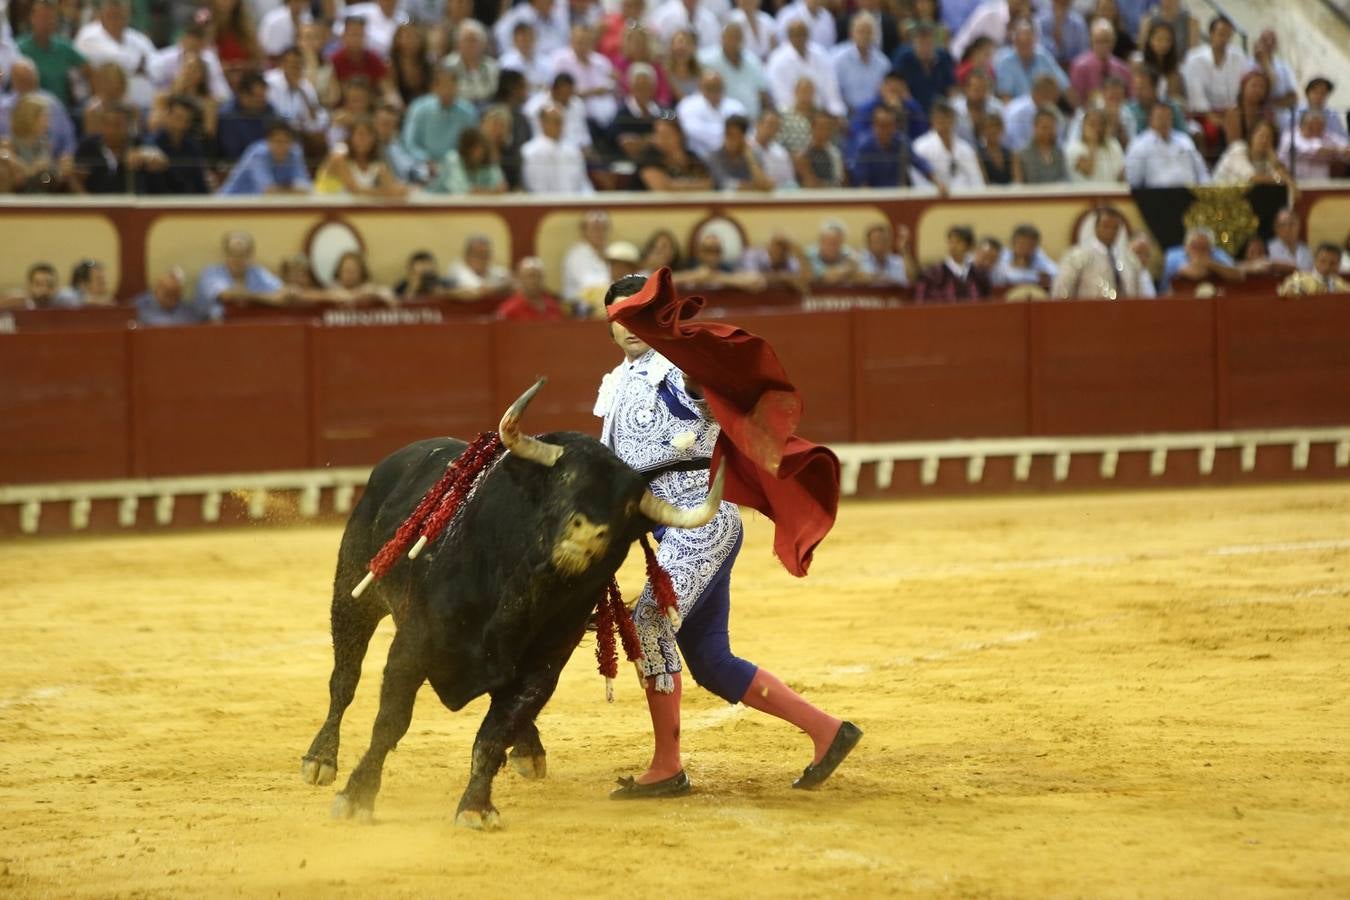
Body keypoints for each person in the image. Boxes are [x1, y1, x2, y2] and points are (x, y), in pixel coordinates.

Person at [598, 273, 860, 799]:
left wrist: (694, 352)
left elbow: (726, 374)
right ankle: (827, 730)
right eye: (617, 319)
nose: (628, 328)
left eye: (637, 317)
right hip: (662, 526)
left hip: (701, 516)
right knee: (713, 662)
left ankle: (666, 766)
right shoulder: (615, 383)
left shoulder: (683, 365)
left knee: (648, 619)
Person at [402, 62, 478, 178]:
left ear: (457, 86)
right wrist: (426, 159)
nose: (447, 90)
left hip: (457, 166)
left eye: (451, 85)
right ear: (434, 87)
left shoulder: (468, 112)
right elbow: (409, 143)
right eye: (442, 85)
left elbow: (472, 145)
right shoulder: (418, 108)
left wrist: (453, 163)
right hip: (422, 164)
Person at [1052, 207, 1146, 299]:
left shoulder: (1129, 259)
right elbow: (1062, 292)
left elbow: (1139, 293)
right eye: (1106, 226)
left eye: (1115, 227)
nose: (1110, 231)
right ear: (1096, 227)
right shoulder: (1077, 256)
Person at [195, 230, 290, 318]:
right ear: (225, 254)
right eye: (233, 254)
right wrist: (265, 298)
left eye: (242, 255)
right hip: (212, 329)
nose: (237, 259)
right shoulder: (211, 272)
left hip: (251, 326)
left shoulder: (257, 272)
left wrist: (249, 297)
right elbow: (226, 295)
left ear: (250, 256)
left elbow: (281, 293)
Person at [765, 18, 845, 119]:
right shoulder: (777, 60)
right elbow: (782, 99)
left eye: (803, 34)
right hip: (791, 117)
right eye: (795, 35)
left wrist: (837, 115)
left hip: (822, 116)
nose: (800, 38)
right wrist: (805, 115)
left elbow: (832, 93)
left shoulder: (821, 55)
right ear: (788, 37)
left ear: (808, 35)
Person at [17, 0, 89, 111]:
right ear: (32, 18)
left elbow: (89, 69)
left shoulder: (64, 48)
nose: (46, 22)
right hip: (28, 111)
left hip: (61, 111)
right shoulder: (18, 48)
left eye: (50, 17)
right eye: (42, 17)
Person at [1124, 102, 1208, 188]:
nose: (1164, 121)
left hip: (1188, 193)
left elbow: (1201, 172)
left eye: (1167, 117)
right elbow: (1133, 181)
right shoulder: (1139, 145)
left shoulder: (1184, 140)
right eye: (1160, 117)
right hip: (1156, 196)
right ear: (1151, 120)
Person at [218, 120, 311, 195]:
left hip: (258, 207)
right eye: (277, 141)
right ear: (268, 142)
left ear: (292, 142)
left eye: (286, 141)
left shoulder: (295, 152)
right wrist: (291, 188)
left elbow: (306, 188)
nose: (281, 146)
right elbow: (268, 191)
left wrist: (282, 189)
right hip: (229, 204)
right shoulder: (258, 154)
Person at [521, 102, 593, 194]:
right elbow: (536, 189)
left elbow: (583, 183)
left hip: (574, 204)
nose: (560, 126)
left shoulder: (573, 151)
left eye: (561, 121)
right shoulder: (530, 152)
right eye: (556, 122)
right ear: (542, 123)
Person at [992, 16, 1069, 102]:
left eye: (1028, 42)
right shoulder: (1005, 62)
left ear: (1035, 41)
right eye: (1021, 43)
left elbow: (1064, 86)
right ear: (1014, 42)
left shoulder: (1044, 57)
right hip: (1017, 111)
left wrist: (1078, 111)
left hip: (1044, 108)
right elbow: (1005, 97)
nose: (1024, 47)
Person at [676, 69, 747, 160]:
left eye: (717, 87)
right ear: (700, 87)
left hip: (732, 157)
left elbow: (743, 133)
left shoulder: (736, 106)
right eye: (709, 87)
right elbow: (694, 131)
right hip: (699, 158)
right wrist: (728, 135)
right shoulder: (688, 105)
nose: (714, 91)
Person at [913, 101, 984, 189]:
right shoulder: (920, 146)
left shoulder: (965, 148)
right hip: (934, 197)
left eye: (948, 118)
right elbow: (918, 179)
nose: (944, 123)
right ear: (932, 120)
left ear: (954, 120)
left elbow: (976, 179)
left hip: (964, 198)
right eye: (940, 118)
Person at [889, 21, 954, 115]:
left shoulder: (943, 57)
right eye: (921, 42)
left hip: (940, 111)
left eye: (928, 42)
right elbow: (895, 86)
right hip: (912, 111)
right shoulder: (903, 58)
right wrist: (914, 108)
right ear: (913, 42)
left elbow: (951, 88)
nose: (925, 47)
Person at [831, 13, 890, 114]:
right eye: (861, 31)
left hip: (874, 116)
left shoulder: (883, 63)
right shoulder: (837, 59)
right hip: (846, 114)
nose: (864, 36)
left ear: (874, 35)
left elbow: (886, 93)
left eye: (868, 32)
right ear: (852, 33)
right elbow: (833, 93)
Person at [915, 225, 992, 302]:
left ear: (968, 245)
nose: (953, 246)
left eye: (958, 242)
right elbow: (921, 299)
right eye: (951, 242)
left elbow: (986, 299)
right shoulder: (934, 272)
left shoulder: (978, 272)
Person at [1159, 226, 1243, 294]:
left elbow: (1238, 275)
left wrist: (1209, 264)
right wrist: (1213, 269)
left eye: (1204, 248)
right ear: (1186, 246)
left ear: (1211, 248)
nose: (1199, 252)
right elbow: (1194, 273)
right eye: (1195, 246)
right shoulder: (1173, 255)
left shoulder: (1217, 253)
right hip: (1171, 302)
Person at [1068, 18, 1131, 105]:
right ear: (1091, 41)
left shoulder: (1123, 69)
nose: (1103, 46)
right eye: (1099, 41)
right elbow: (1076, 99)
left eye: (1106, 41)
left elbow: (1129, 99)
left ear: (1113, 41)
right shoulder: (1079, 67)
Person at [706, 114, 774, 192]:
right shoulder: (715, 156)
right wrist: (754, 186)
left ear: (743, 137)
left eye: (734, 136)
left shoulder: (754, 153)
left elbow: (765, 184)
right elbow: (723, 183)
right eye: (727, 135)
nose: (729, 140)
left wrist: (750, 157)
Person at [1278, 110, 1350, 181]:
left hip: (1322, 184)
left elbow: (1346, 147)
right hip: (1293, 183)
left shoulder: (1326, 135)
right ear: (1302, 125)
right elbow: (1312, 151)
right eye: (1311, 126)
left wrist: (1342, 152)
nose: (1315, 130)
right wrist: (1338, 151)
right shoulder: (1290, 136)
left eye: (1319, 126)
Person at [562, 211, 613, 304]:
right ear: (584, 231)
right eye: (595, 228)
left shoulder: (611, 251)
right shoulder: (576, 255)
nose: (599, 233)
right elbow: (590, 285)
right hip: (581, 308)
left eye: (603, 228)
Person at [1065, 106, 1124, 183]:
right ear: (1083, 126)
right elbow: (1088, 171)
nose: (1097, 128)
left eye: (1100, 124)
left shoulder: (1113, 144)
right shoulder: (1073, 148)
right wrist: (1092, 142)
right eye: (1092, 124)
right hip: (1085, 193)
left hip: (1111, 192)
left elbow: (1120, 175)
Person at [134, 268, 212, 326]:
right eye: (167, 293)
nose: (172, 298)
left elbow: (202, 321)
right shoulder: (138, 306)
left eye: (176, 294)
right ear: (157, 289)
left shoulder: (187, 309)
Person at [496, 257, 564, 321]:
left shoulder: (554, 306)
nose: (535, 280)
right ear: (519, 278)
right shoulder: (508, 310)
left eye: (538, 276)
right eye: (530, 276)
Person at [1013, 107, 1068, 184]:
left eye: (1051, 127)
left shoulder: (1059, 153)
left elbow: (1064, 179)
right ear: (1035, 127)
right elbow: (1018, 184)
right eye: (1044, 127)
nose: (1048, 131)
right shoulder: (1021, 154)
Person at [994, 224, 1057, 288]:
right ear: (1013, 243)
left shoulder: (1039, 255)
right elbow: (1001, 276)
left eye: (1030, 245)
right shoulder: (1003, 255)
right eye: (1022, 244)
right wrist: (1035, 276)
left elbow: (1054, 273)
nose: (1025, 249)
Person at [446, 234, 510, 295]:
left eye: (485, 254)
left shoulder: (491, 268)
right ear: (467, 255)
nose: (482, 259)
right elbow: (478, 290)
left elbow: (510, 280)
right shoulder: (457, 269)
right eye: (477, 254)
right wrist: (502, 286)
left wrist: (506, 283)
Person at [1276, 243, 1350, 296]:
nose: (1327, 267)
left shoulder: (1343, 287)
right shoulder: (1297, 281)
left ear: (1339, 265)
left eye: (1332, 263)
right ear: (1315, 261)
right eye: (1322, 261)